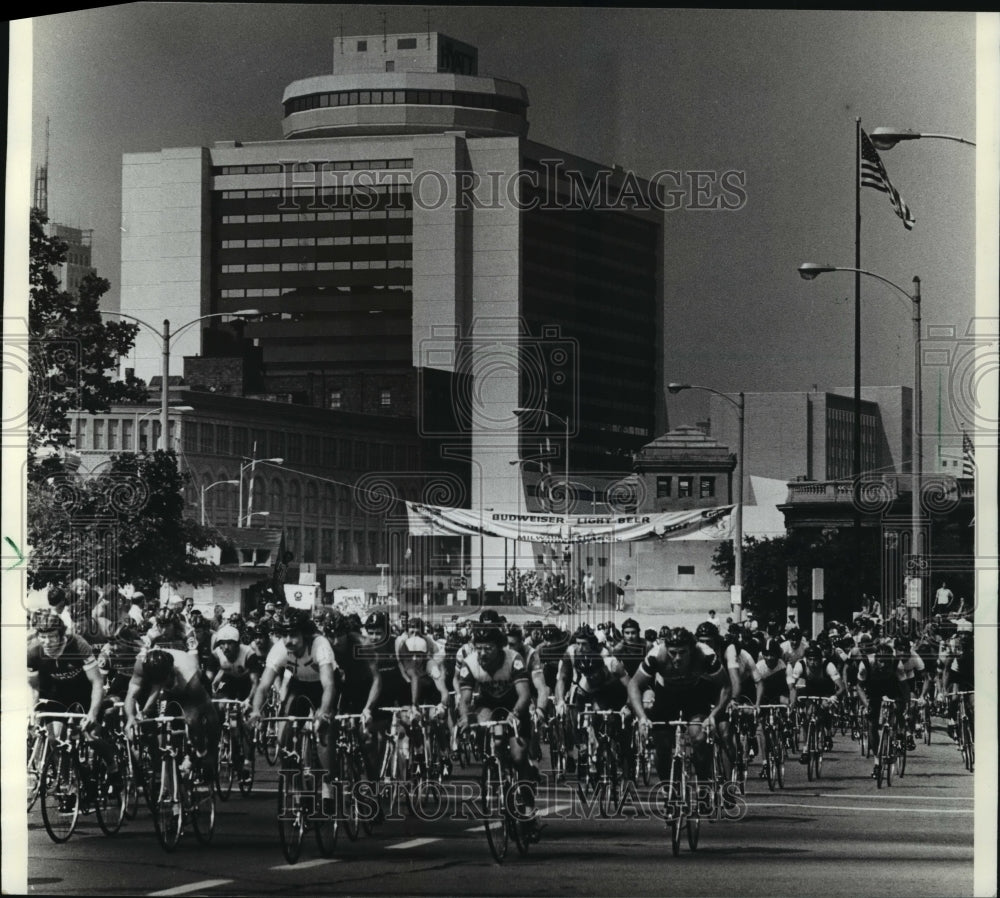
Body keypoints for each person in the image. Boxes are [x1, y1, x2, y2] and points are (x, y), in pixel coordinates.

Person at [456, 624, 542, 839]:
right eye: (479, 648)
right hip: (488, 705)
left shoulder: (513, 659)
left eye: (488, 648)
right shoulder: (470, 663)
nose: (483, 653)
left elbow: (524, 694)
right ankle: (495, 769)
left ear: (499, 648)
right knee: (486, 729)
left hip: (514, 703)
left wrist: (515, 714)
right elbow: (465, 699)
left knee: (519, 755)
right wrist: (465, 718)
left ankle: (529, 809)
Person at [628, 627, 731, 800]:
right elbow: (634, 685)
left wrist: (713, 715)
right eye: (673, 652)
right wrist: (642, 717)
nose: (677, 658)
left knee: (699, 739)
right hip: (666, 695)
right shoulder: (656, 655)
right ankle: (668, 788)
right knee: (662, 745)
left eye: (682, 653)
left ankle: (703, 785)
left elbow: (726, 686)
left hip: (695, 694)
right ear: (666, 649)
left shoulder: (705, 655)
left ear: (692, 649)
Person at [248, 608, 338, 804]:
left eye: (294, 635)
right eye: (284, 634)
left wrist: (322, 712)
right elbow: (263, 686)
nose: (288, 640)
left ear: (304, 633)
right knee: (284, 738)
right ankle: (297, 790)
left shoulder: (319, 645)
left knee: (324, 731)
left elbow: (329, 685)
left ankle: (327, 785)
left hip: (323, 686)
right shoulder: (279, 649)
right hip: (299, 685)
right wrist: (256, 710)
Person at [28, 610, 121, 783]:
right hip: (56, 695)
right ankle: (68, 786)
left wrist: (93, 713)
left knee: (91, 736)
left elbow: (97, 683)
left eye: (52, 637)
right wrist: (33, 710)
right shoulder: (33, 651)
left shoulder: (78, 644)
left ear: (61, 634)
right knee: (56, 740)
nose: (47, 642)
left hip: (83, 693)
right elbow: (34, 688)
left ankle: (112, 765)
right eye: (43, 637)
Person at [123, 645, 220, 782]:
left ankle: (200, 753)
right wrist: (132, 718)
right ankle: (169, 767)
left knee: (193, 719)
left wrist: (210, 749)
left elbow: (210, 712)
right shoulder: (141, 665)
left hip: (190, 686)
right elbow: (131, 695)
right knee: (162, 721)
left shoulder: (188, 675)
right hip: (169, 690)